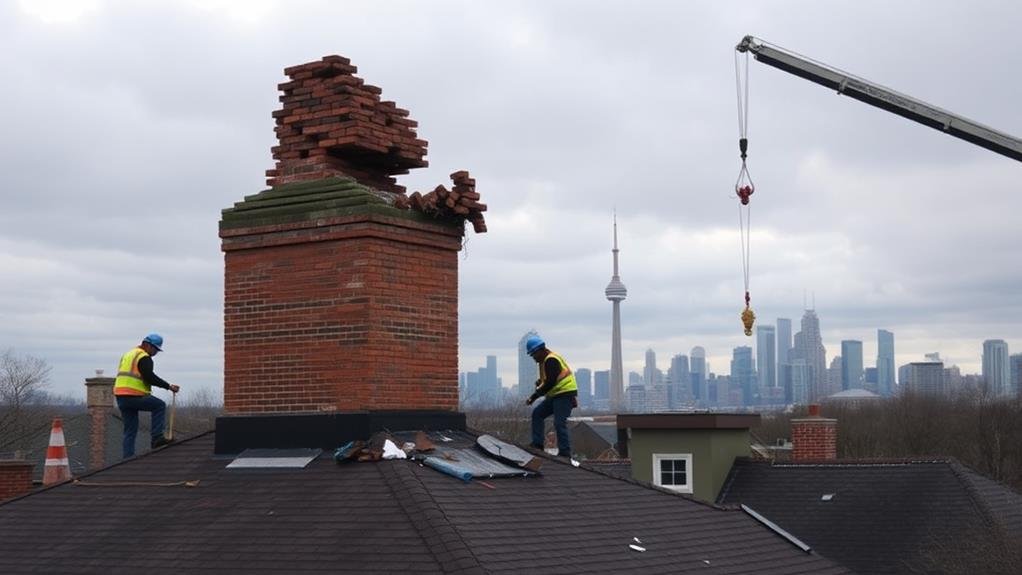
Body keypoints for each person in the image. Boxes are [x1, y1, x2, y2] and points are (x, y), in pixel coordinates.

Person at [114, 333, 180, 458]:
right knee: (159, 406)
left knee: (130, 431)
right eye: (154, 349)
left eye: (157, 350)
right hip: (134, 395)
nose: (155, 352)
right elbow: (149, 377)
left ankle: (127, 459)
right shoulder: (144, 357)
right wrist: (168, 386)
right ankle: (157, 438)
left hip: (121, 397)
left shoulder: (128, 354)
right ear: (146, 345)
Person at [524, 335, 578, 458]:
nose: (533, 357)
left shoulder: (551, 360)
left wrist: (534, 397)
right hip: (555, 395)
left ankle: (565, 452)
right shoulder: (545, 362)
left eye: (533, 354)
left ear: (540, 350)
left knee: (559, 423)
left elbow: (551, 382)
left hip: (564, 394)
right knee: (537, 414)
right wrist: (540, 383)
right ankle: (537, 444)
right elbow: (549, 380)